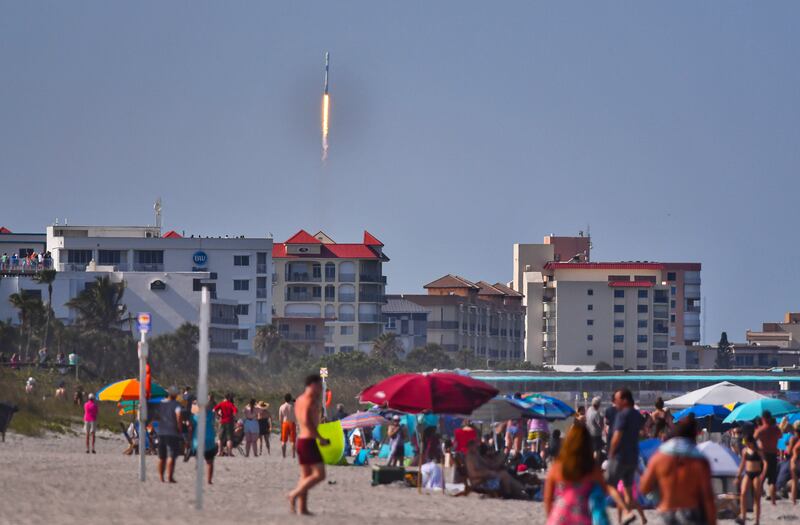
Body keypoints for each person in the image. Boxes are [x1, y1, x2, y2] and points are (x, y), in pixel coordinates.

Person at [544, 423, 626, 525]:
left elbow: (547, 498)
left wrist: (551, 517)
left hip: (559, 517)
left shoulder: (557, 468)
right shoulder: (592, 469)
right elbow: (603, 491)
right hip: (581, 518)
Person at [640, 418, 717, 525]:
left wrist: (658, 492)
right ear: (693, 438)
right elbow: (708, 497)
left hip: (666, 513)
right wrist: (712, 521)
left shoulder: (659, 457)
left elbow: (644, 488)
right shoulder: (699, 461)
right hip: (691, 513)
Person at [287, 374, 330, 515]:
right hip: (309, 441)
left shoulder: (298, 399)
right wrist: (321, 438)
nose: (320, 389)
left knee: (305, 476)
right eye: (318, 386)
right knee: (320, 474)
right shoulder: (310, 400)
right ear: (311, 385)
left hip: (301, 441)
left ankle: (302, 508)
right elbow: (307, 422)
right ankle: (293, 494)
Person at [606, 388, 646, 525]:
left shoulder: (623, 414)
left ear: (624, 400)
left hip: (620, 456)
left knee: (610, 485)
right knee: (628, 491)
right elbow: (643, 431)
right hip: (633, 457)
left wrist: (611, 452)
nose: (614, 402)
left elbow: (617, 436)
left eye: (617, 399)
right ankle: (626, 518)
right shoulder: (637, 415)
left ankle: (627, 512)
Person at [737, 433, 766, 524]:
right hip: (748, 473)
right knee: (743, 494)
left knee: (756, 498)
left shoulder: (758, 451)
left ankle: (757, 520)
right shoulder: (745, 451)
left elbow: (765, 463)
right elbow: (742, 463)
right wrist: (738, 475)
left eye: (747, 443)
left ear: (751, 442)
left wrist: (763, 474)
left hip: (757, 474)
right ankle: (743, 517)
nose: (747, 444)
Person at [754, 410, 782, 506]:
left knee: (761, 477)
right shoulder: (776, 429)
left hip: (763, 455)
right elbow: (780, 436)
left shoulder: (761, 430)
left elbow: (753, 440)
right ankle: (773, 501)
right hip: (773, 454)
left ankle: (757, 496)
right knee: (772, 480)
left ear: (763, 418)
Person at [157, 386, 183, 483]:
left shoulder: (161, 404)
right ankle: (169, 477)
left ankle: (161, 477)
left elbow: (156, 416)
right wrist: (179, 428)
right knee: (171, 456)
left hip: (161, 431)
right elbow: (179, 416)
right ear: (175, 395)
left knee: (161, 456)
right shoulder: (176, 404)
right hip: (172, 432)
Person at [190, 395, 217, 484]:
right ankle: (209, 480)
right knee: (209, 462)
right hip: (209, 440)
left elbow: (191, 426)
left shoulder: (195, 417)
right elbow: (213, 406)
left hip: (198, 441)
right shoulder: (211, 414)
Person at [279, 393, 297, 459]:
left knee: (283, 441)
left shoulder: (282, 406)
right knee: (293, 441)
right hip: (292, 423)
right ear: (290, 399)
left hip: (284, 423)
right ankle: (293, 455)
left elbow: (280, 418)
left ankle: (284, 455)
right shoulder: (293, 406)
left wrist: (281, 425)